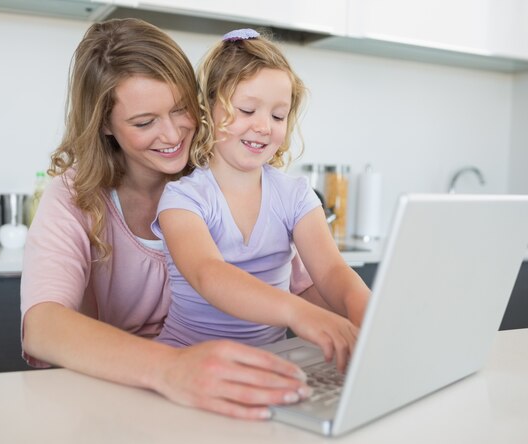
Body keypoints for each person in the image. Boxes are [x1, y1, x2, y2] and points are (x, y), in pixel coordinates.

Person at [20, 18, 339, 420]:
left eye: (180, 109)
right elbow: (44, 325)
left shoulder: (225, 176)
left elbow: (303, 285)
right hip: (113, 396)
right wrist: (170, 368)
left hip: (215, 389)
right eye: (144, 122)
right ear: (104, 124)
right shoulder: (74, 195)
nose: (172, 135)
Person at [151, 29, 370, 371]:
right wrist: (299, 313)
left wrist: (369, 315)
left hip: (268, 363)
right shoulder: (183, 198)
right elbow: (210, 275)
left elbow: (331, 271)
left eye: (278, 115)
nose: (264, 126)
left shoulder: (295, 195)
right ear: (208, 108)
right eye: (247, 109)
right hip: (185, 364)